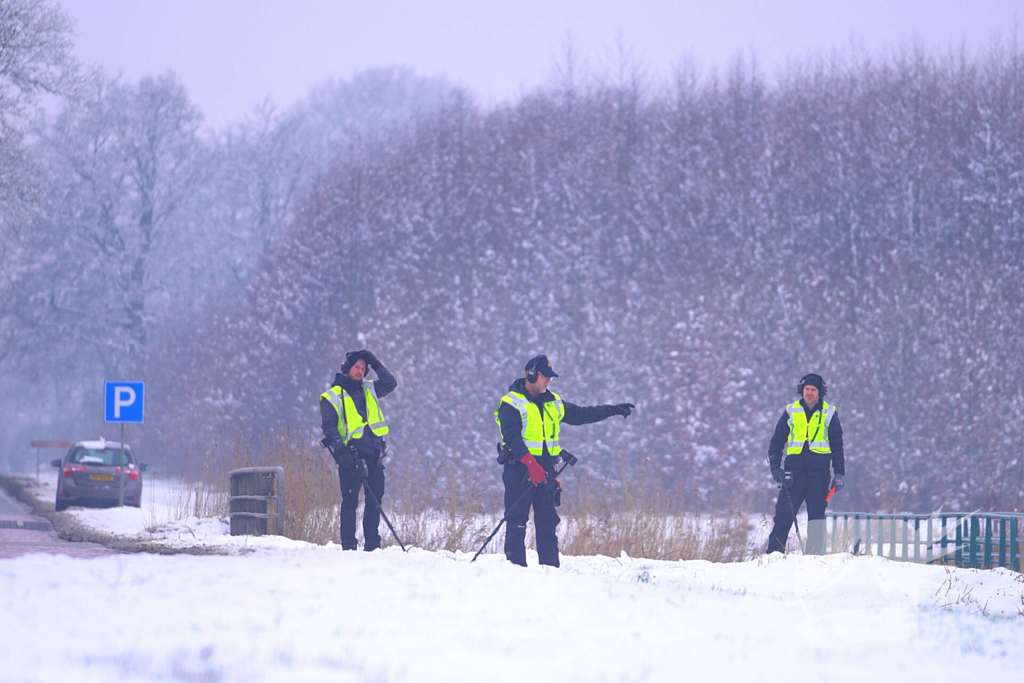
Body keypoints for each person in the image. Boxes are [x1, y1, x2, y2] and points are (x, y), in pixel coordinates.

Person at [494, 354, 635, 567]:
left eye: (551, 377)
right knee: (517, 523)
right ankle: (516, 573)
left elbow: (579, 415)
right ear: (530, 375)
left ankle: (550, 573)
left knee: (548, 524)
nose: (548, 381)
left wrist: (611, 410)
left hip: (547, 473)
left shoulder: (553, 402)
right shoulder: (511, 403)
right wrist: (532, 466)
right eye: (544, 376)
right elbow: (512, 438)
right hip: (520, 472)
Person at [320, 349, 397, 551]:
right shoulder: (333, 395)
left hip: (374, 454)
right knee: (350, 501)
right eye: (357, 367)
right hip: (351, 455)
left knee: (375, 501)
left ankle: (372, 544)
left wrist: (376, 363)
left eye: (364, 368)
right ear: (347, 368)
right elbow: (328, 427)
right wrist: (341, 452)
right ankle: (348, 545)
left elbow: (391, 383)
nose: (360, 371)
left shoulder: (369, 389)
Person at [766, 373, 845, 555]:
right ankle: (773, 559)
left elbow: (837, 446)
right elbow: (776, 444)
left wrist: (839, 473)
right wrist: (776, 470)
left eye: (813, 389)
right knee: (783, 519)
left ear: (820, 393)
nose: (809, 393)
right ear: (801, 390)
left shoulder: (829, 413)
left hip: (819, 476)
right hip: (793, 476)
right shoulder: (790, 411)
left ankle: (814, 561)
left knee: (816, 522)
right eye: (807, 389)